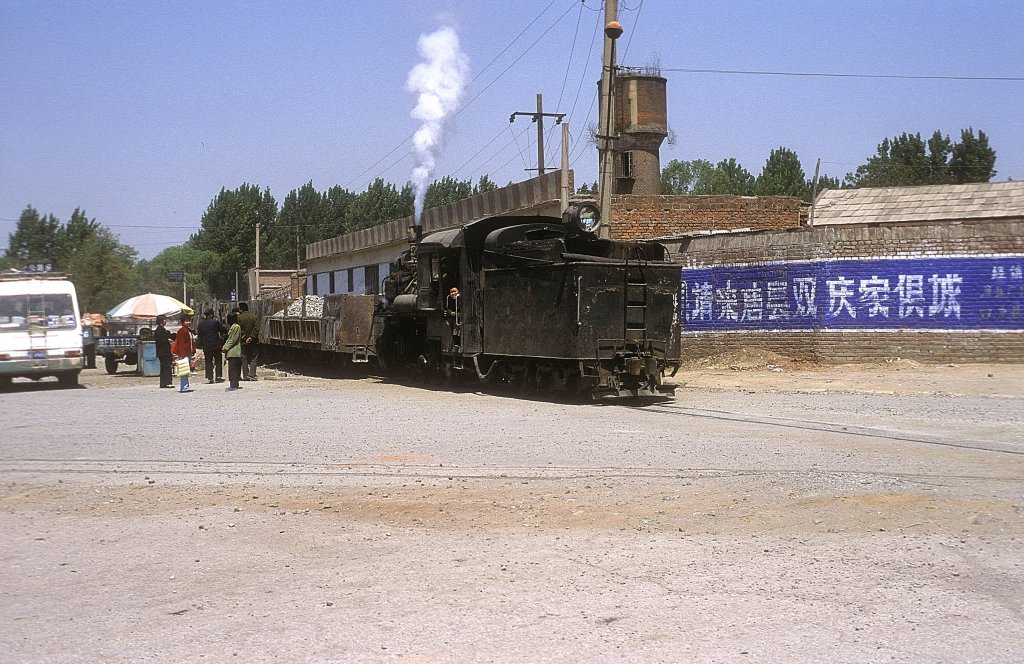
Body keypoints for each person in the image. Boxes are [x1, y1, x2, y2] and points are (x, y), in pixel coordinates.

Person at [196, 309, 227, 384]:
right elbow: (223, 330)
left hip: (206, 346)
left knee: (208, 361)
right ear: (211, 314)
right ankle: (218, 376)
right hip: (216, 345)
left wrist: (199, 345)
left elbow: (199, 336)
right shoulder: (215, 322)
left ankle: (210, 377)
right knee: (218, 361)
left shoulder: (201, 324)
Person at [171, 316, 195, 393]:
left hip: (188, 353)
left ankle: (185, 386)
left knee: (186, 370)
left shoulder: (188, 330)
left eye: (189, 321)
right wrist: (183, 354)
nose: (188, 322)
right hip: (184, 354)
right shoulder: (182, 331)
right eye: (186, 321)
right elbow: (181, 343)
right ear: (183, 322)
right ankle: (184, 387)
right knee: (184, 370)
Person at [237, 302, 259, 381]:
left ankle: (245, 375)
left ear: (241, 309)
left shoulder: (239, 318)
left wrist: (244, 337)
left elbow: (238, 329)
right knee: (254, 357)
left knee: (244, 358)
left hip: (243, 341)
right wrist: (251, 337)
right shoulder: (253, 317)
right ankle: (251, 374)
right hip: (253, 341)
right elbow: (256, 329)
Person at [222, 311, 243, 392]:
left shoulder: (236, 327)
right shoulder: (233, 327)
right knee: (234, 368)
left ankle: (233, 385)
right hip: (232, 351)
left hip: (234, 351)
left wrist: (225, 347)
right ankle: (234, 384)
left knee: (233, 369)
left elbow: (233, 339)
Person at [153, 315, 175, 389]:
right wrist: (167, 339)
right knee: (166, 367)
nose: (165, 321)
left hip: (163, 352)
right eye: (164, 320)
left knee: (164, 367)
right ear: (161, 321)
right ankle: (167, 382)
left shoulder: (162, 329)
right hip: (164, 352)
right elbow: (161, 341)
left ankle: (163, 383)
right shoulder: (160, 330)